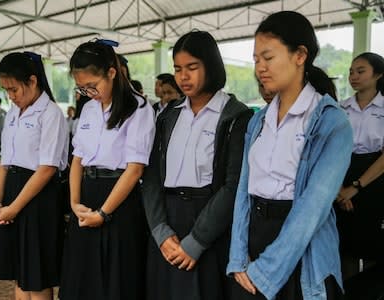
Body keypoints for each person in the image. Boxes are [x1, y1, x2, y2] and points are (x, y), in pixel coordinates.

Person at [226, 11, 353, 300]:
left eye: (268, 58)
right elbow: (244, 193)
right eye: (256, 59)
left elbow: (313, 209)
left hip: (300, 248)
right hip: (255, 240)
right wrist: (238, 257)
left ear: (300, 55)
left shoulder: (330, 122)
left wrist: (266, 272)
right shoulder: (259, 121)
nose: (260, 68)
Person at [142, 30, 253, 300]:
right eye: (178, 69)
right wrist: (160, 230)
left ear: (211, 66)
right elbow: (152, 175)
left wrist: (197, 241)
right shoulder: (168, 115)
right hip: (167, 223)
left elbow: (233, 185)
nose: (183, 76)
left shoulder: (237, 117)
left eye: (192, 67)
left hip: (209, 224)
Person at [59, 39, 155, 300]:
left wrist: (103, 213)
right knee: (82, 279)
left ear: (112, 73)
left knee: (116, 281)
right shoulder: (89, 109)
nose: (89, 93)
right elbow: (77, 159)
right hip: (86, 198)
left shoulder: (139, 108)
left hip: (119, 200)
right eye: (82, 88)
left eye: (93, 86)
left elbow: (135, 169)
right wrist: (75, 203)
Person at [0, 51, 68, 300]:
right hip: (12, 190)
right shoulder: (14, 112)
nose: (11, 97)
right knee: (20, 270)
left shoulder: (51, 114)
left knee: (38, 273)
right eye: (6, 91)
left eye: (14, 90)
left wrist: (15, 207)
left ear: (33, 81)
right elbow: (5, 160)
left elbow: (47, 168)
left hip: (38, 196)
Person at [335, 52, 384, 277]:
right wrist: (338, 191)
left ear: (378, 74)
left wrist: (355, 188)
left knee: (373, 245)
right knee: (344, 245)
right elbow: (330, 150)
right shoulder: (340, 109)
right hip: (340, 175)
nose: (353, 76)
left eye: (361, 71)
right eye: (351, 72)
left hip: (373, 179)